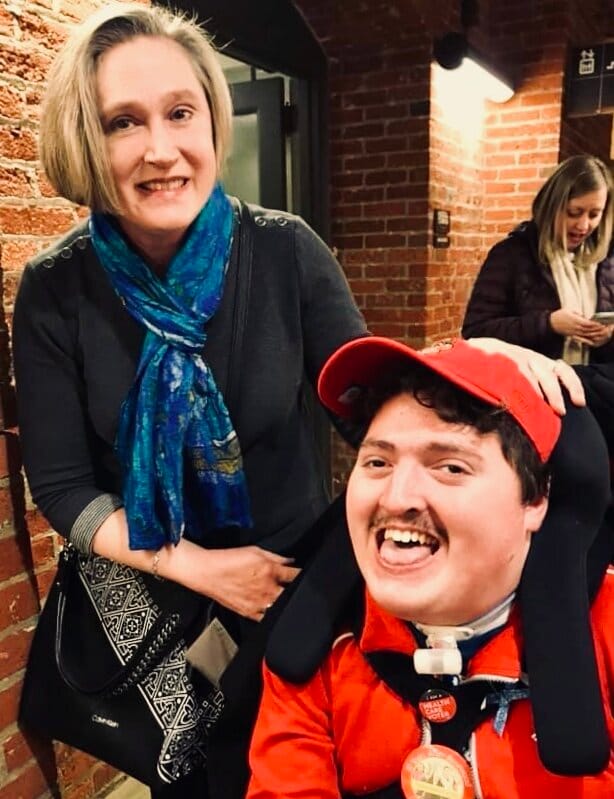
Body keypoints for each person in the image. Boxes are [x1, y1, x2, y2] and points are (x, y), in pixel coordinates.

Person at [11, 4, 369, 797]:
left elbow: (374, 411)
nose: (161, 149)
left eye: (181, 113)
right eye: (122, 123)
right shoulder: (55, 289)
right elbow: (64, 487)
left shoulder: (286, 251)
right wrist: (202, 569)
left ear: (213, 118)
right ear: (84, 140)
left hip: (293, 592)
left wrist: (476, 373)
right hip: (162, 610)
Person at [247, 336, 614, 798]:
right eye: (378, 461)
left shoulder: (605, 631)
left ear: (536, 500)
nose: (396, 498)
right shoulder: (317, 648)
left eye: (450, 468)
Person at [462, 154, 614, 364]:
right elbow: (476, 332)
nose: (583, 225)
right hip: (529, 389)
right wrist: (548, 324)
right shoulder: (511, 254)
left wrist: (609, 335)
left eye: (594, 214)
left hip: (592, 389)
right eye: (574, 212)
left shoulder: (607, 261)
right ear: (551, 206)